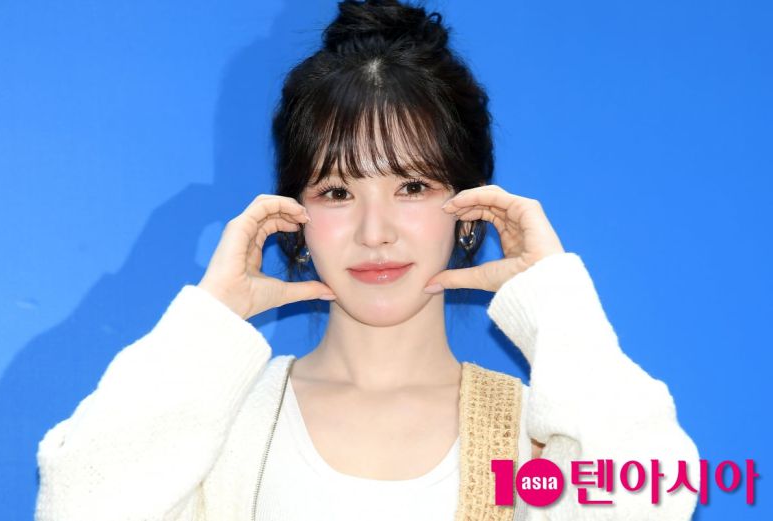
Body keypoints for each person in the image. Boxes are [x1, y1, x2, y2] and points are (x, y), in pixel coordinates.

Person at [35, 1, 700, 520]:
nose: (374, 232)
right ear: (291, 214)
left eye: (412, 186)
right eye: (337, 192)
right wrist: (212, 319)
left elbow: (656, 498)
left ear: (472, 206)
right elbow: (75, 503)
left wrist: (556, 307)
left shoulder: (538, 436)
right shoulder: (219, 421)